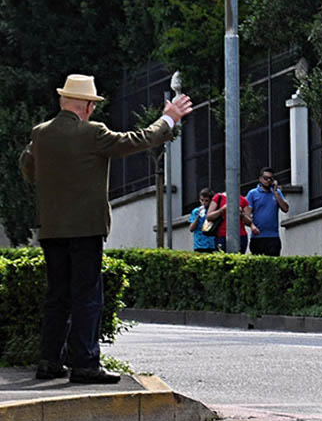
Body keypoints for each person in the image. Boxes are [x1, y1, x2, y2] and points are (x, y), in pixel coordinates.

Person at [19, 74, 193, 384]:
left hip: (51, 227)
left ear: (62, 101)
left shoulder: (40, 133)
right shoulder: (92, 133)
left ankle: (49, 362)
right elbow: (137, 140)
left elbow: (28, 169)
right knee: (87, 296)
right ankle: (85, 364)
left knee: (57, 295)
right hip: (85, 227)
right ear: (87, 106)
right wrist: (168, 118)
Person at [246, 167, 289, 256]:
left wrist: (276, 192)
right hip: (258, 236)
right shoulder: (253, 193)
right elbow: (246, 214)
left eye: (271, 178)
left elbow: (285, 208)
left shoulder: (276, 193)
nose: (268, 181)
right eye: (266, 178)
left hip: (273, 236)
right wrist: (252, 226)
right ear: (260, 179)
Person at [188, 188, 216, 252]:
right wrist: (198, 217)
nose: (203, 203)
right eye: (202, 200)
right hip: (200, 244)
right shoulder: (196, 211)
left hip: (212, 243)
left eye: (206, 201)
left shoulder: (214, 211)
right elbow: (191, 229)